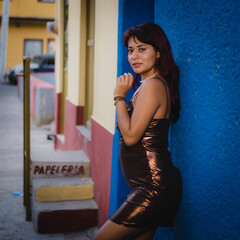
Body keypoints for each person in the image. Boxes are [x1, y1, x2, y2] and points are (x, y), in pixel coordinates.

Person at [93, 22, 182, 240]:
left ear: (159, 53)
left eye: (142, 49)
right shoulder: (146, 85)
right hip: (149, 185)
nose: (134, 56)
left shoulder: (153, 85)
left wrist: (119, 97)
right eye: (131, 50)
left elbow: (131, 137)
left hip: (153, 187)